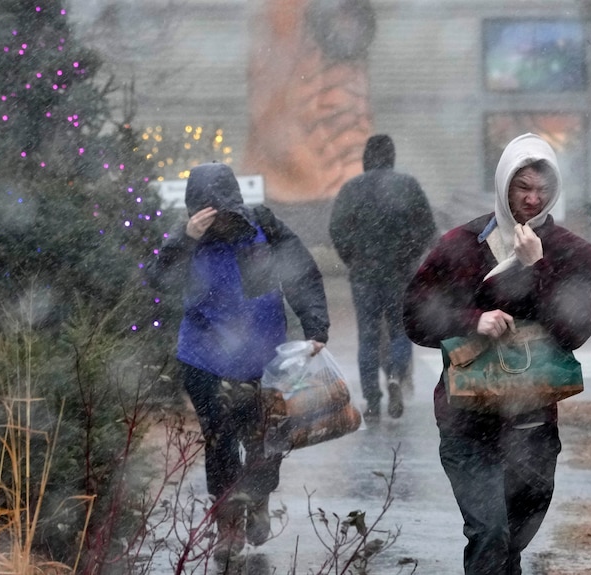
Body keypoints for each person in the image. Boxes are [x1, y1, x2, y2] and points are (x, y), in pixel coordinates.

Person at [403, 133, 591, 575]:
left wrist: (538, 266)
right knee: (489, 533)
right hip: (466, 419)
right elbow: (416, 318)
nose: (533, 199)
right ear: (503, 183)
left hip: (532, 425)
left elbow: (575, 330)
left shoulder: (573, 253)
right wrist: (472, 320)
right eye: (522, 187)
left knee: (512, 539)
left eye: (542, 190)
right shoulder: (460, 245)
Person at [149, 162, 330, 562]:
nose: (218, 222)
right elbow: (158, 282)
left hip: (263, 359)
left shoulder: (264, 226)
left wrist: (315, 327)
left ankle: (259, 498)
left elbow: (302, 275)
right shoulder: (187, 239)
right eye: (206, 213)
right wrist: (185, 239)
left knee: (266, 442)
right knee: (221, 444)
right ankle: (227, 526)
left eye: (224, 211)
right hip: (204, 360)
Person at [329, 134, 437, 421]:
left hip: (364, 274)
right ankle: (395, 376)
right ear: (391, 156)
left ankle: (372, 400)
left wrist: (352, 258)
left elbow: (337, 229)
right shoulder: (407, 186)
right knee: (401, 332)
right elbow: (426, 228)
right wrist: (409, 256)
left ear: (366, 157)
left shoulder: (351, 189)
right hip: (400, 275)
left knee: (368, 336)